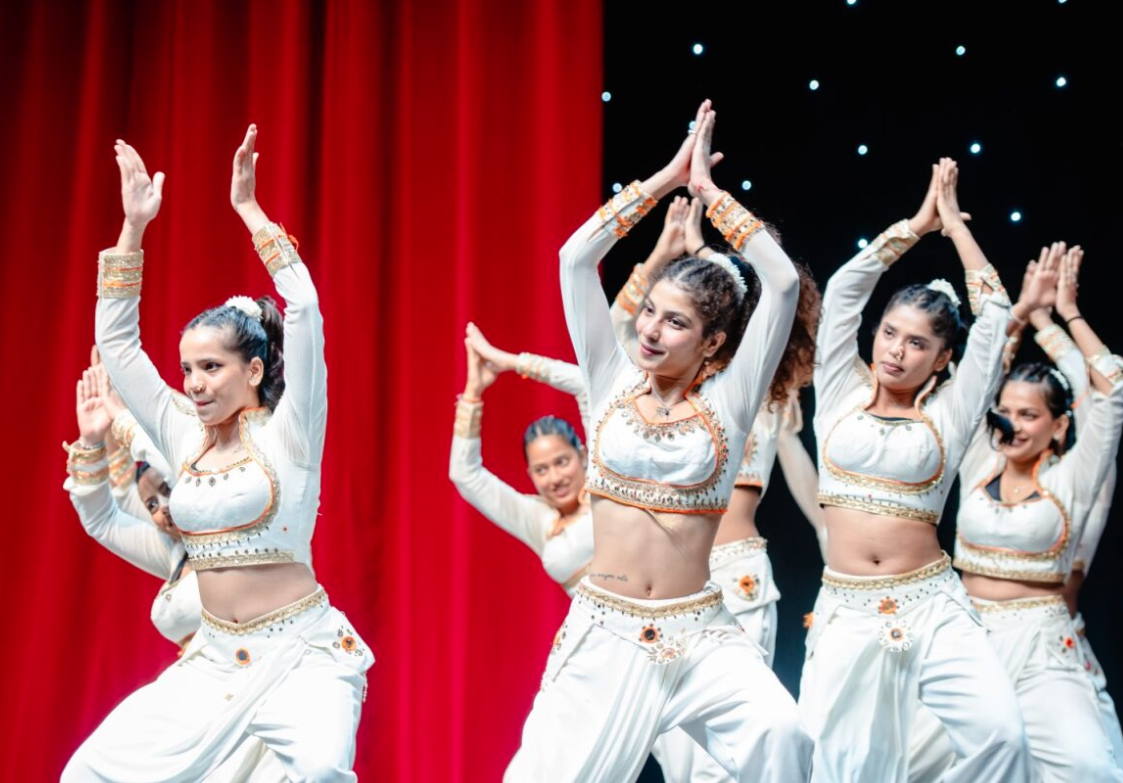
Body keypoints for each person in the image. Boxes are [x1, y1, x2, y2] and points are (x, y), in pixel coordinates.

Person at [504, 100, 812, 783]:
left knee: (782, 735)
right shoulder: (610, 377)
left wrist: (711, 195)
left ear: (713, 341)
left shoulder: (731, 401)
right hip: (606, 629)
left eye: (675, 323)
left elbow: (784, 281)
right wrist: (666, 180)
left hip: (698, 633)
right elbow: (574, 259)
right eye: (650, 310)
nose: (649, 329)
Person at [63, 125, 373, 781]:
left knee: (320, 770)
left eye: (211, 367)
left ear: (254, 370)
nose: (194, 383)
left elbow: (305, 307)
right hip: (211, 663)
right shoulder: (181, 433)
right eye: (187, 369)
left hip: (301, 654)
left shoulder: (291, 431)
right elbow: (117, 347)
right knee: (88, 770)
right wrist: (133, 227)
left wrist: (250, 211)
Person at [799, 158, 1038, 782]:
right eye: (890, 333)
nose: (896, 351)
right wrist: (913, 226)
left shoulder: (951, 413)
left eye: (916, 344)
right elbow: (844, 290)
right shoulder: (839, 388)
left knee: (1003, 738)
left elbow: (996, 315)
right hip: (846, 608)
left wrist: (955, 229)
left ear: (940, 358)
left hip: (930, 605)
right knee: (838, 768)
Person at [610, 196, 822, 783]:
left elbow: (777, 288)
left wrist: (829, 533)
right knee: (674, 757)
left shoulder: (760, 389)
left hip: (736, 574)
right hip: (660, 591)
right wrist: (666, 251)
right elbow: (619, 328)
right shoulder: (657, 385)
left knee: (722, 765)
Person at [952, 243, 1123, 780]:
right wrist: (1022, 312)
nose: (1012, 424)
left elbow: (1112, 388)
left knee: (1087, 767)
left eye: (1029, 415)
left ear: (1059, 425)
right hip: (965, 634)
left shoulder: (1074, 477)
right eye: (1005, 412)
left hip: (1043, 645)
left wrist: (1065, 314)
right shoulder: (978, 459)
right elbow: (979, 373)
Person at [66, 362, 285, 781]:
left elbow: (189, 459)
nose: (163, 509)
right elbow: (103, 520)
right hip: (196, 700)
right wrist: (93, 440)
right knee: (87, 771)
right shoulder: (173, 553)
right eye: (151, 504)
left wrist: (129, 412)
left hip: (252, 694)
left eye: (167, 491)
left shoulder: (241, 525)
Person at [450, 323, 594, 596]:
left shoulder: (607, 482)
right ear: (530, 475)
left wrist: (510, 362)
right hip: (590, 625)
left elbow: (583, 384)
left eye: (562, 462)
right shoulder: (537, 519)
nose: (554, 478)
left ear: (583, 455)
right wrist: (472, 393)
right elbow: (464, 475)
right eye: (541, 470)